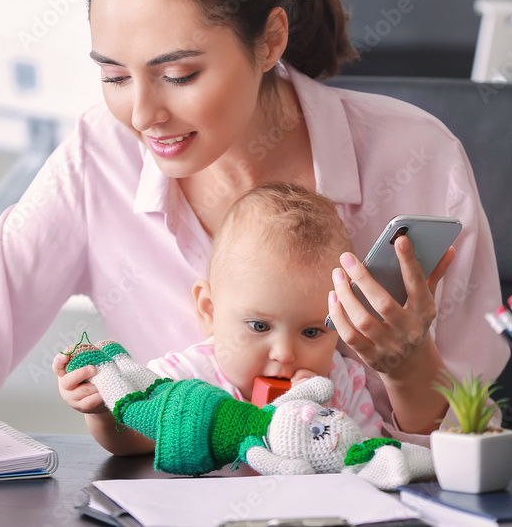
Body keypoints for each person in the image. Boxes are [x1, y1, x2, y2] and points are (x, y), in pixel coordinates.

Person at [0, 0, 508, 461]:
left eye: (179, 74)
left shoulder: (415, 159)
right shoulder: (101, 157)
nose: (144, 113)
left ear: (270, 40)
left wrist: (407, 361)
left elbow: (468, 442)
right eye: (113, 76)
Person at [53, 183, 385, 456]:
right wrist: (101, 411)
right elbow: (135, 438)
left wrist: (313, 418)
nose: (284, 353)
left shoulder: (342, 382)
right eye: (259, 326)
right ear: (210, 310)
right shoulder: (187, 376)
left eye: (312, 331)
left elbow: (368, 456)